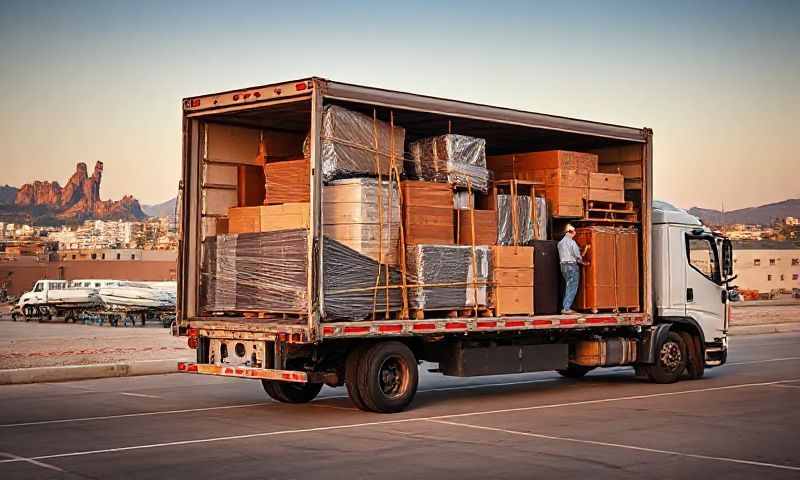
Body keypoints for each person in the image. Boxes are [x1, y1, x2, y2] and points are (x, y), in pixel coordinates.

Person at [557, 224, 584, 314]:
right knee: (572, 287)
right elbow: (577, 255)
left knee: (568, 286)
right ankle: (566, 308)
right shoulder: (572, 243)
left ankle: (565, 306)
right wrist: (582, 260)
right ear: (571, 232)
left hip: (563, 266)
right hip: (571, 265)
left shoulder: (560, 243)